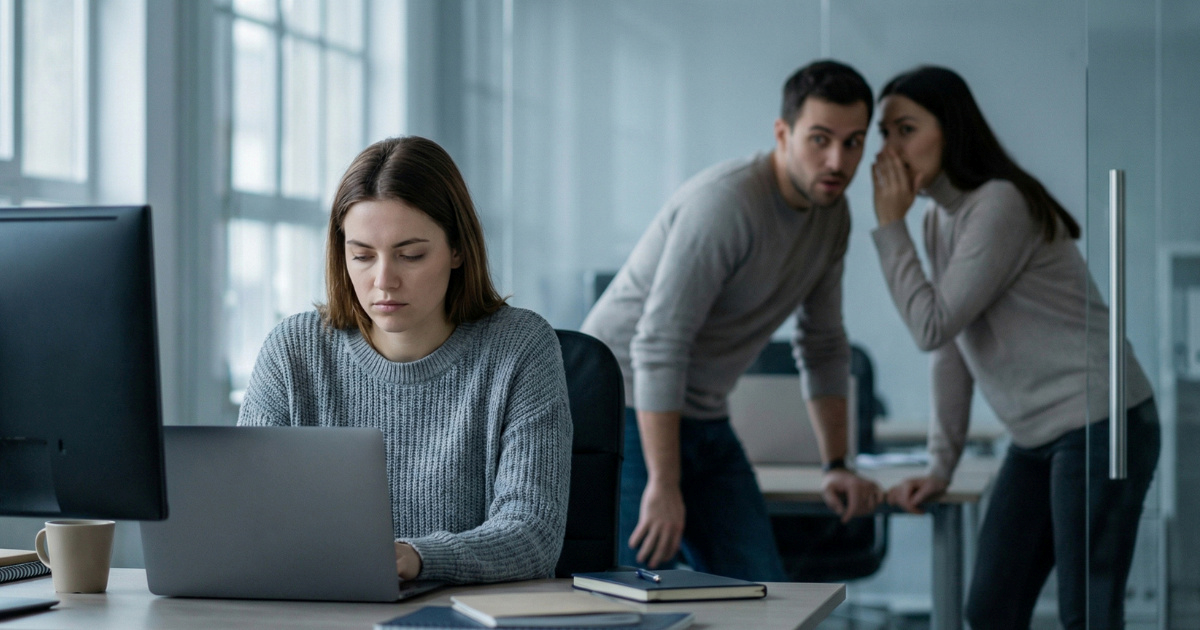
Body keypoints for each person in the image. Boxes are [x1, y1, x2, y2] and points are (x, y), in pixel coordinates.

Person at [870, 66, 1160, 629]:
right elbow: (949, 346)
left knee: (1088, 615)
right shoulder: (937, 221)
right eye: (883, 134)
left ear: (950, 130)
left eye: (905, 129)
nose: (889, 150)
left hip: (1104, 421)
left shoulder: (997, 204)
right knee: (990, 611)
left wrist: (888, 227)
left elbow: (929, 325)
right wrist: (940, 466)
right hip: (1036, 438)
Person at [581, 60, 884, 581]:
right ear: (782, 133)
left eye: (854, 142)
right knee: (626, 593)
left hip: (704, 413)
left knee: (760, 590)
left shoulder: (833, 216)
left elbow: (824, 343)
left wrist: (835, 465)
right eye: (819, 139)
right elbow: (658, 345)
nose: (838, 160)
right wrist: (664, 482)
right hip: (624, 404)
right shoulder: (726, 204)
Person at [237, 136, 573, 584]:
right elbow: (244, 515)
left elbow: (532, 534)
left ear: (457, 250)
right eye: (361, 255)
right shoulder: (293, 350)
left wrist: (414, 558)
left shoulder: (521, 347)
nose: (383, 280)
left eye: (410, 255)